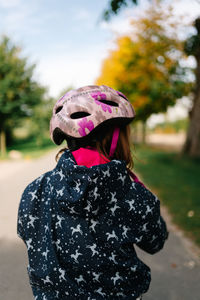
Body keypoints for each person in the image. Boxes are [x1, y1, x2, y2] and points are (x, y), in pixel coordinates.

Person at [17, 85, 168, 300]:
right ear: (115, 137)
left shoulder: (35, 190)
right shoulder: (131, 193)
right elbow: (156, 240)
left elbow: (28, 237)